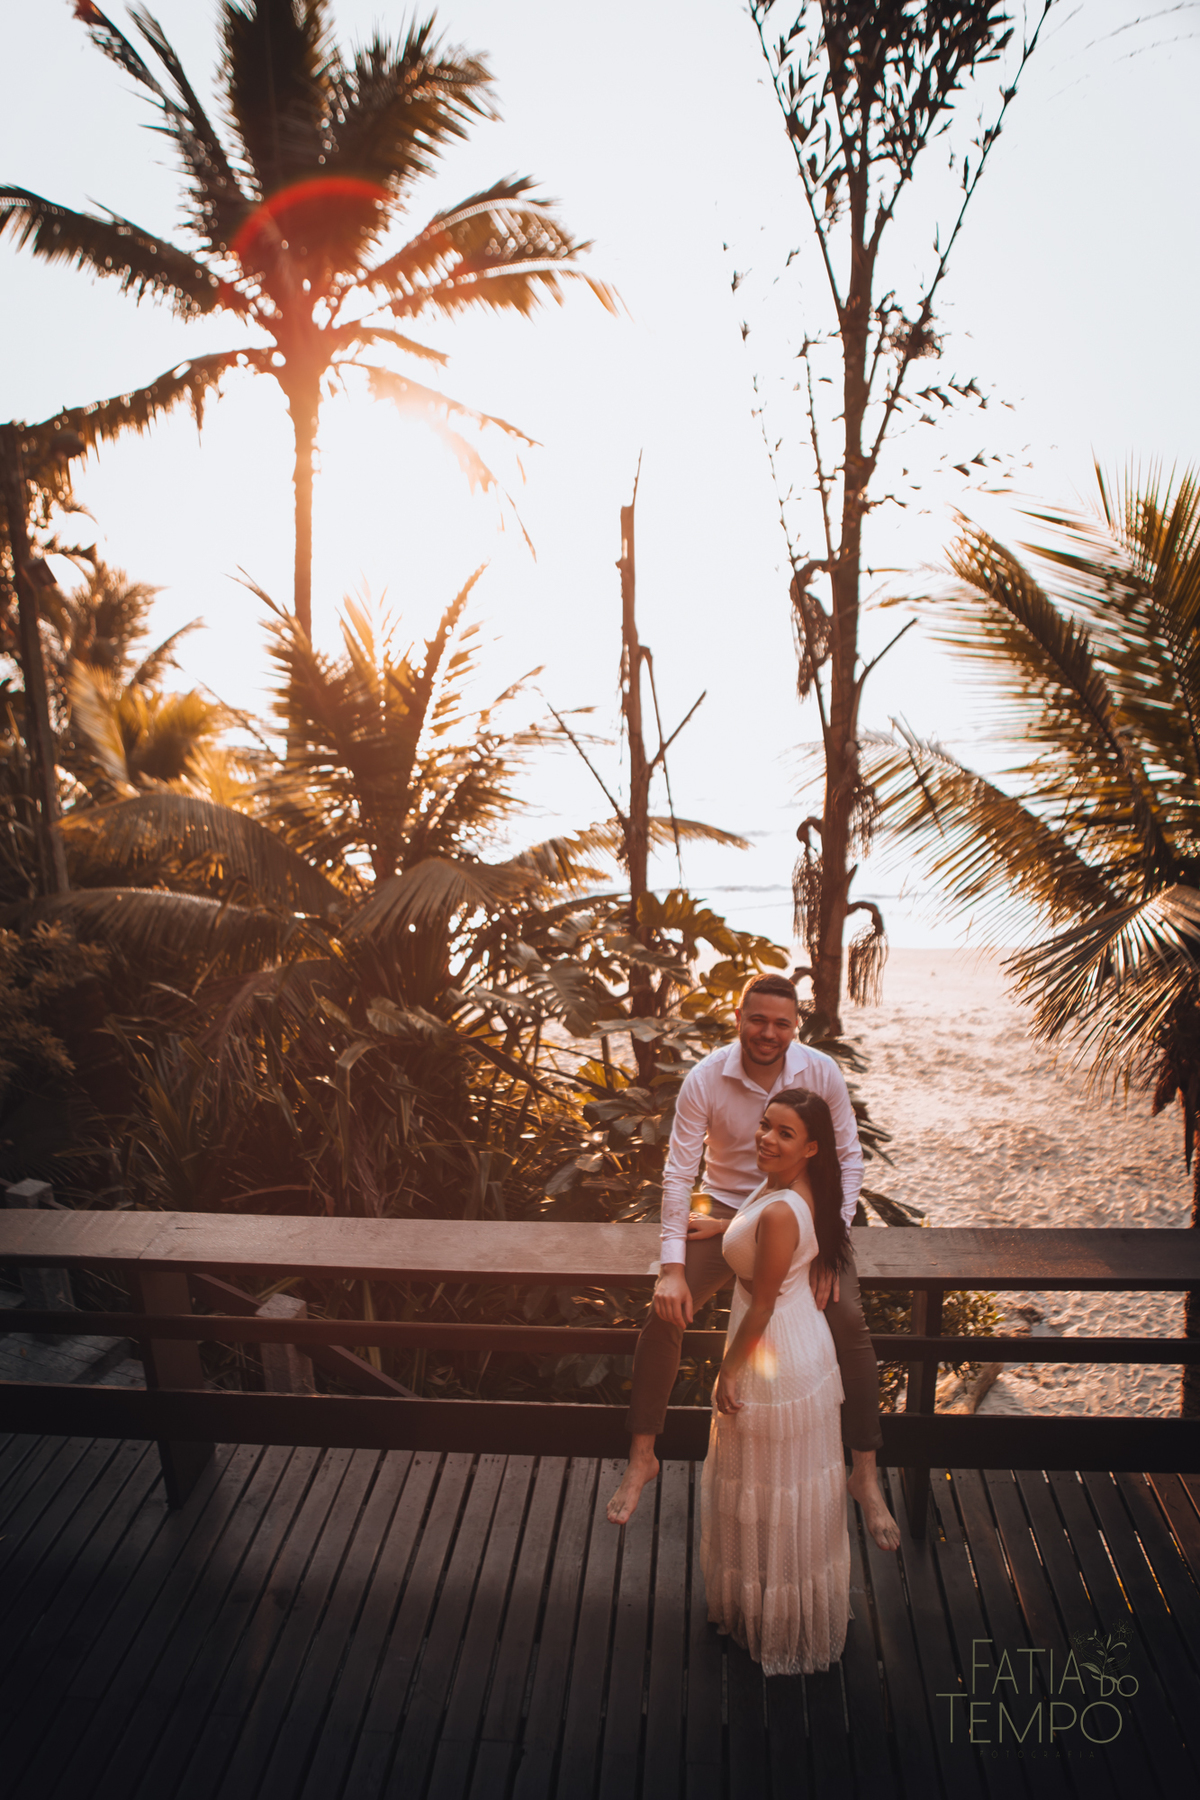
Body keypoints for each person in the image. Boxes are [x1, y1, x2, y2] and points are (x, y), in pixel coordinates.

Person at [606, 971, 900, 1553]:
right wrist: (670, 1266)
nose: (768, 1032)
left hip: (803, 1213)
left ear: (797, 1026)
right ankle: (643, 1457)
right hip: (732, 1215)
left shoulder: (820, 1072)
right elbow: (677, 1173)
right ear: (737, 1016)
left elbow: (847, 1161)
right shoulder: (705, 1079)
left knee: (848, 1323)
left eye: (781, 1022)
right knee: (665, 1312)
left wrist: (827, 1246)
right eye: (757, 1019)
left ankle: (863, 1471)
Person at [699, 1087, 851, 1674]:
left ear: (810, 1147)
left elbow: (761, 1303)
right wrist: (723, 1228)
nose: (767, 1138)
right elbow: (766, 1240)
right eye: (766, 1126)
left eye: (784, 1133)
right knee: (781, 1495)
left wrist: (728, 1369)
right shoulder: (788, 1189)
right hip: (795, 1341)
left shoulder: (785, 1207)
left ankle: (776, 1629)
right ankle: (773, 1616)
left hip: (774, 1352)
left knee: (767, 1494)